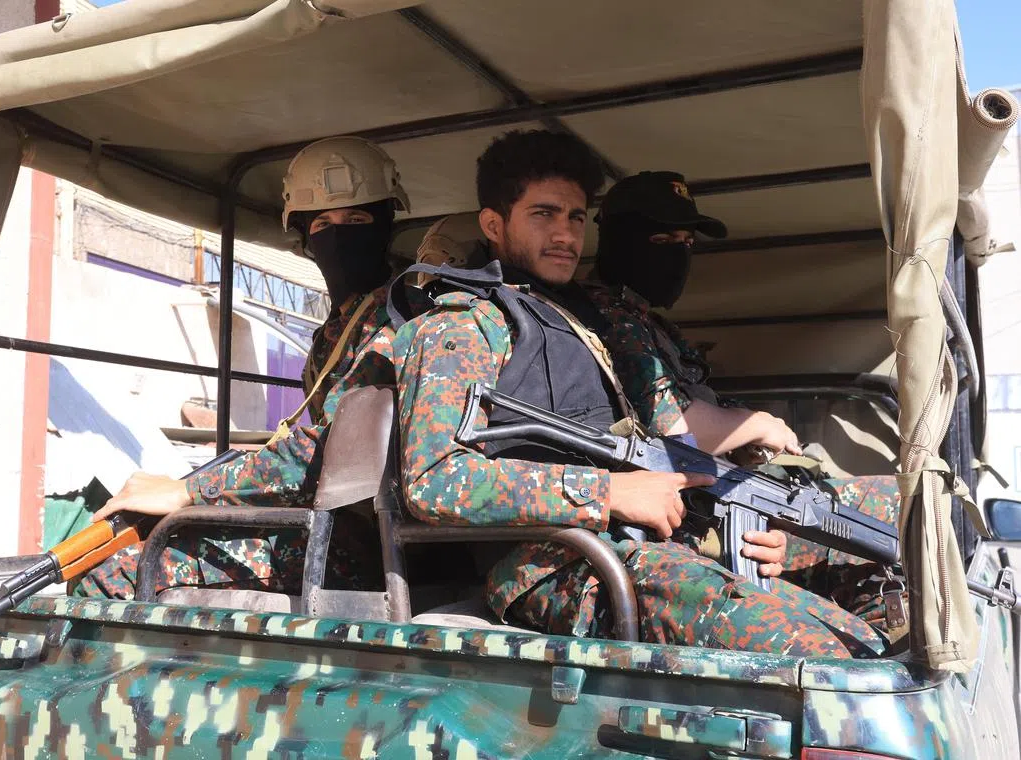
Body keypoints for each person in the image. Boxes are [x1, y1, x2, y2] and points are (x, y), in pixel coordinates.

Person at [390, 129, 886, 657]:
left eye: (576, 218)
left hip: (645, 543)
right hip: (550, 561)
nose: (564, 234)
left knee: (862, 637)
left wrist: (744, 529)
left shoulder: (589, 322)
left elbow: (657, 441)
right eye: (543, 214)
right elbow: (432, 479)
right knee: (817, 650)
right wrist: (611, 493)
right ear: (494, 224)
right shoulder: (464, 326)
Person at [75, 136, 409, 598]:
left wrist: (190, 492)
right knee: (122, 547)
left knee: (120, 574)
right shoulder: (339, 327)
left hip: (371, 541)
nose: (340, 235)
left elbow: (328, 453)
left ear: (386, 224)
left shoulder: (400, 320)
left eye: (357, 220)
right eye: (324, 224)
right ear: (304, 236)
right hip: (326, 524)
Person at [587, 171, 903, 629]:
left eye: (687, 242)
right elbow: (674, 427)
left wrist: (745, 443)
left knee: (903, 516)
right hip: (683, 517)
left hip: (724, 496)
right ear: (618, 238)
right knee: (892, 513)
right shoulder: (610, 316)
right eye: (663, 238)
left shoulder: (651, 324)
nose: (679, 252)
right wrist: (755, 423)